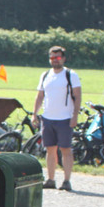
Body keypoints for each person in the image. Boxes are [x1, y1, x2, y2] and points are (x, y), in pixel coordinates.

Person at [32, 45, 81, 191]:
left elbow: (77, 96)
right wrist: (35, 113)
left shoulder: (71, 75)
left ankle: (66, 180)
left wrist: (75, 116)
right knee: (50, 150)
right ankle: (51, 179)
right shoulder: (45, 75)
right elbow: (40, 95)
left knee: (66, 149)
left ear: (63, 58)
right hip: (48, 118)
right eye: (52, 57)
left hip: (65, 118)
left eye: (58, 57)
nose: (55, 60)